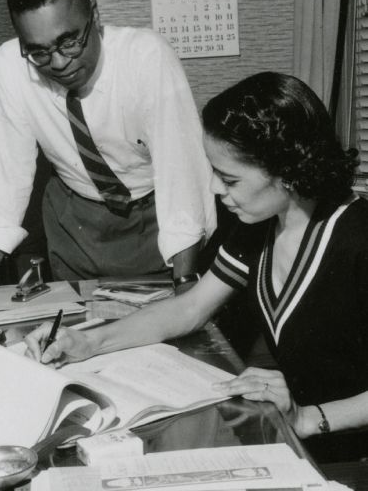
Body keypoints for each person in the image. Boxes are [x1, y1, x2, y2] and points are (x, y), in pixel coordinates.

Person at [26, 71, 368, 463]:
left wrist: (311, 417)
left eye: (230, 179)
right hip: (299, 441)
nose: (216, 190)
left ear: (286, 171)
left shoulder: (357, 238)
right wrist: (86, 342)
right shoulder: (259, 225)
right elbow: (190, 307)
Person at [0, 0, 216, 293]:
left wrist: (184, 283)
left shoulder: (147, 58)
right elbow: (4, 184)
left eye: (69, 41)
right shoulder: (11, 65)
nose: (59, 62)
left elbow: (182, 179)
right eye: (38, 51)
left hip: (155, 220)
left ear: (93, 16)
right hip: (75, 223)